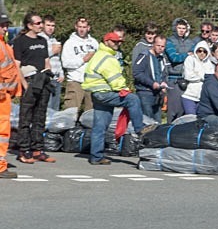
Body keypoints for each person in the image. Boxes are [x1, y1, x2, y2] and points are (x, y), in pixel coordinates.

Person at [82, 32, 157, 165]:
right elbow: (115, 80)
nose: (117, 44)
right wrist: (125, 90)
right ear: (106, 42)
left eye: (119, 42)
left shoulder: (98, 55)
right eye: (114, 41)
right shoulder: (108, 58)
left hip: (96, 93)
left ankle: (96, 156)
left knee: (99, 127)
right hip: (104, 92)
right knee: (133, 99)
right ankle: (139, 128)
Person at [14, 12, 55, 164]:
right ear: (29, 25)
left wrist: (49, 76)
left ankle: (37, 149)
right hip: (29, 81)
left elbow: (46, 61)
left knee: (40, 117)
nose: (41, 25)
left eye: (41, 23)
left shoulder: (43, 40)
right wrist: (25, 85)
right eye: (38, 23)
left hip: (42, 81)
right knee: (26, 117)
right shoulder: (20, 41)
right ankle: (24, 150)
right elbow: (17, 66)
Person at [0, 13, 23, 178]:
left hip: (5, 96)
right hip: (1, 97)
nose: (5, 28)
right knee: (1, 132)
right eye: (2, 25)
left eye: (6, 25)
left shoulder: (4, 44)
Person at [165, 18, 200, 122]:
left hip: (186, 79)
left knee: (182, 111)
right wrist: (187, 55)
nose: (181, 30)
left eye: (183, 28)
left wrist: (185, 55)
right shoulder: (169, 41)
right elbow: (174, 58)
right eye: (179, 28)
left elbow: (195, 56)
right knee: (172, 110)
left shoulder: (191, 42)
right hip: (173, 79)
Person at [61, 16, 98, 113]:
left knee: (91, 113)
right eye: (80, 27)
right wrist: (83, 59)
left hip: (91, 81)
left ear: (88, 28)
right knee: (70, 111)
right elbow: (65, 63)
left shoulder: (94, 42)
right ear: (76, 27)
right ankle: (68, 128)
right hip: (75, 81)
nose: (82, 29)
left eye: (84, 27)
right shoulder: (69, 43)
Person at [133, 34, 168, 123]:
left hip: (157, 94)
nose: (160, 48)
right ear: (153, 44)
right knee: (147, 122)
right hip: (145, 93)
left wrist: (163, 82)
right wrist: (151, 83)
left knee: (157, 122)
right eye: (158, 45)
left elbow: (163, 73)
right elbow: (136, 73)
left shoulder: (162, 58)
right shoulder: (144, 56)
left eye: (162, 46)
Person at [181, 40, 214, 116]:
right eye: (200, 51)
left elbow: (210, 78)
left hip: (202, 98)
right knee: (190, 119)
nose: (202, 53)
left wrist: (197, 74)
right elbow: (188, 76)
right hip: (189, 96)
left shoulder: (209, 63)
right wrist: (203, 76)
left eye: (204, 51)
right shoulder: (190, 59)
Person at [40, 15, 64, 112]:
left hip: (56, 78)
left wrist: (61, 73)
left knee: (55, 108)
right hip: (46, 78)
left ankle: (53, 126)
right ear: (43, 25)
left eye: (53, 26)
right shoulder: (40, 39)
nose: (50, 28)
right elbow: (39, 56)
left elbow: (58, 59)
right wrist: (52, 51)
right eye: (48, 25)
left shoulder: (53, 40)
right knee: (47, 107)